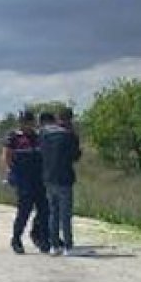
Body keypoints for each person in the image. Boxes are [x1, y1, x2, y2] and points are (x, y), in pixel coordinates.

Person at [2, 111, 49, 253]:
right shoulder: (14, 137)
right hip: (23, 179)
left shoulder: (38, 137)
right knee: (24, 211)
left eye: (31, 122)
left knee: (44, 210)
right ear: (21, 123)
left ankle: (40, 236)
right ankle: (16, 239)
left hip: (39, 179)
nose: (29, 125)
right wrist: (11, 173)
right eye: (27, 122)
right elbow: (6, 156)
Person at [39, 108, 81, 256]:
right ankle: (68, 247)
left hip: (49, 177)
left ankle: (54, 245)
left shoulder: (44, 134)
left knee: (53, 213)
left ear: (58, 118)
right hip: (65, 178)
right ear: (70, 119)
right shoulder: (70, 136)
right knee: (65, 215)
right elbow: (75, 156)